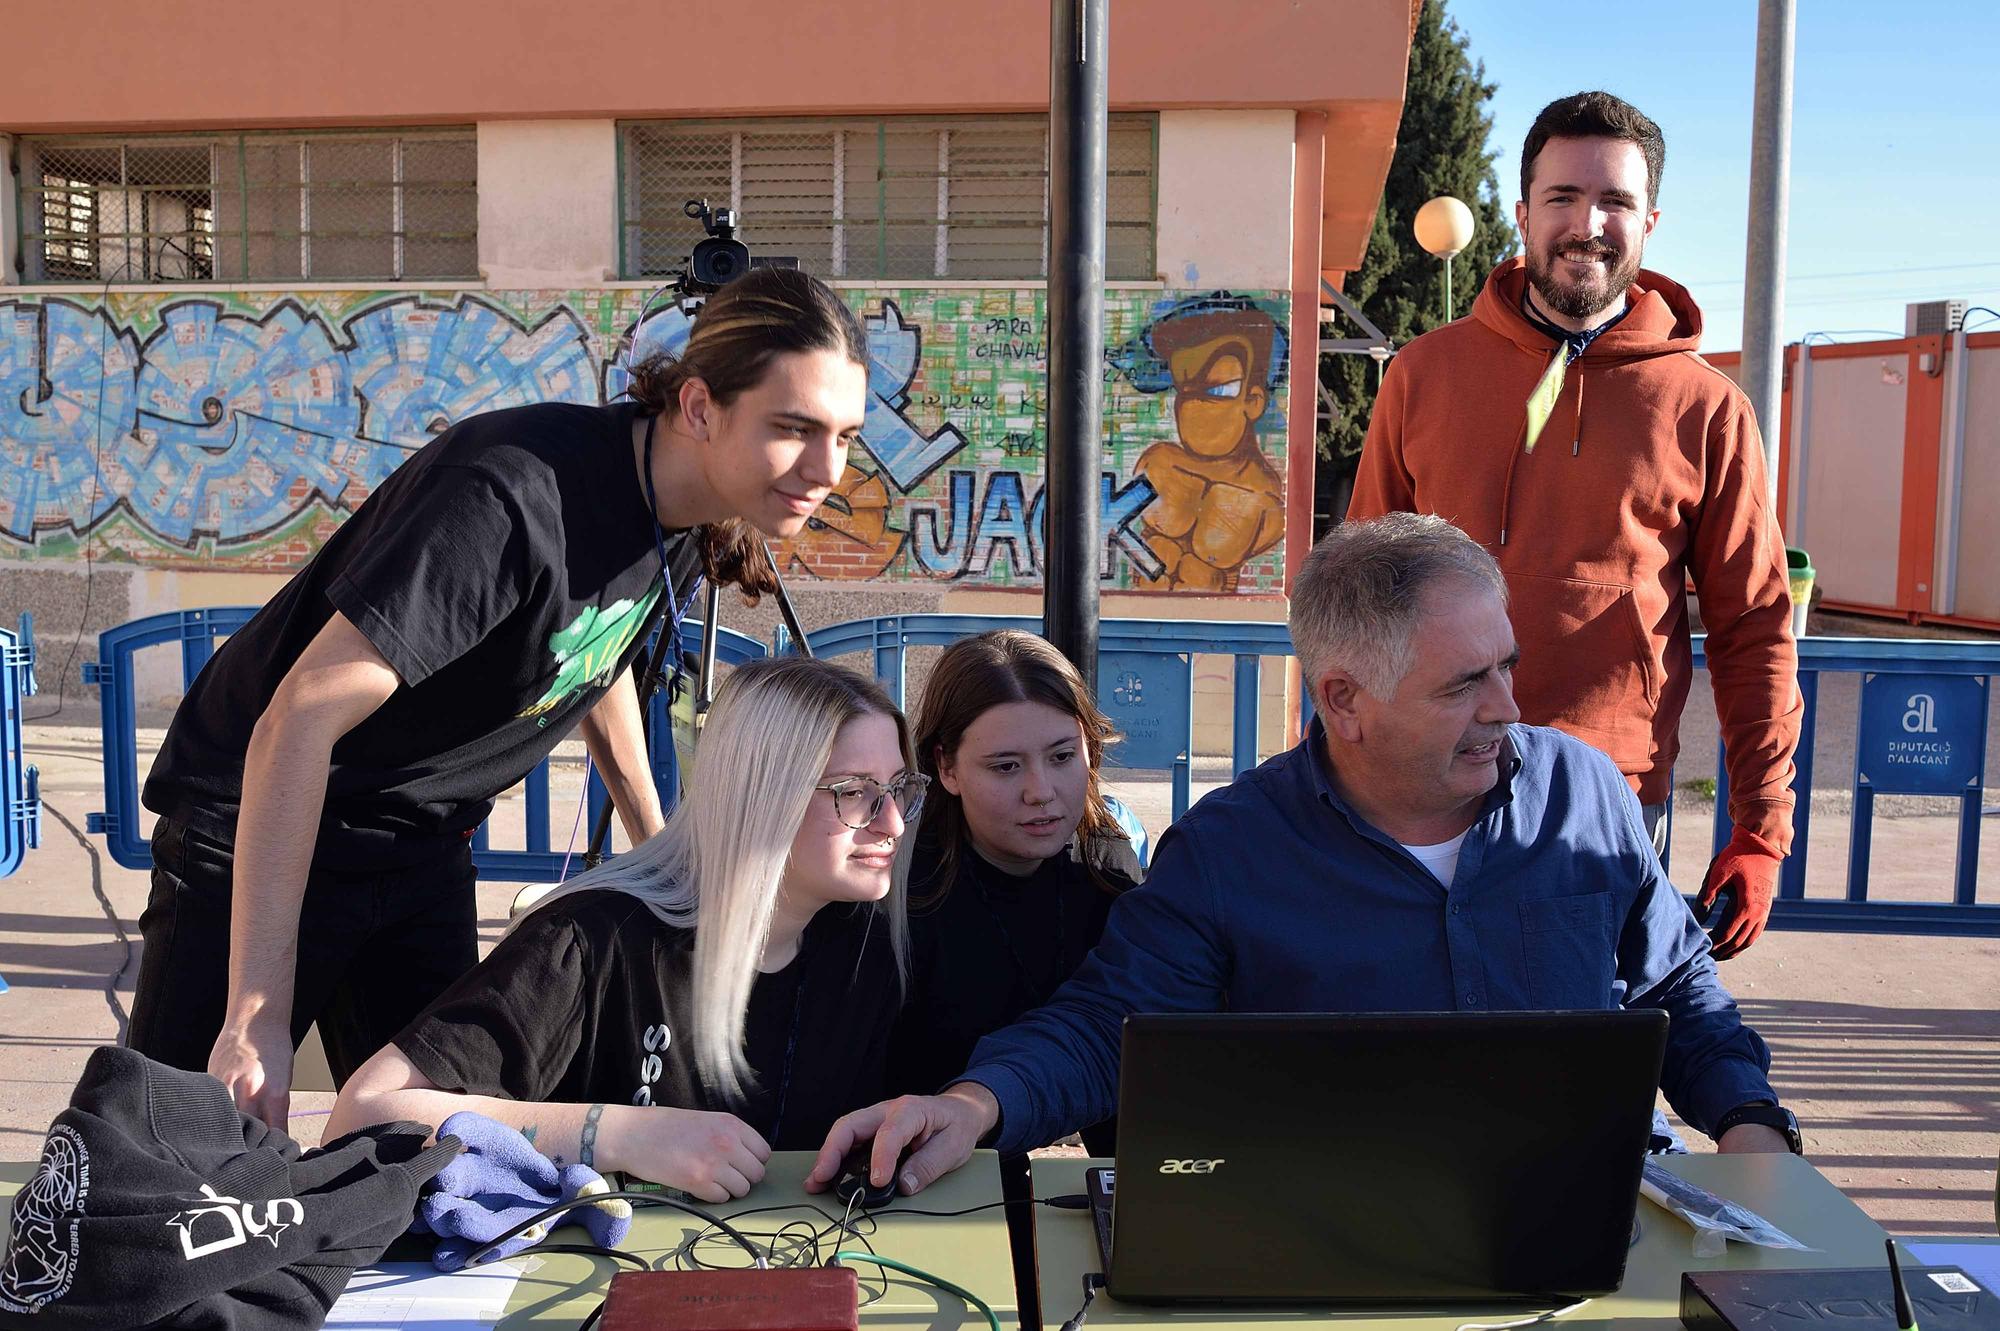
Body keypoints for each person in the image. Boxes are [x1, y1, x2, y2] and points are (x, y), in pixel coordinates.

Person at [808, 514, 1802, 1201]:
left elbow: (1674, 983)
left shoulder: (1584, 796)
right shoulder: (1229, 851)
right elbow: (1107, 1021)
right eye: (1462, 683)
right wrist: (971, 1103)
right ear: (1342, 700)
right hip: (1333, 1238)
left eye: (1505, 663)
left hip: (1593, 1215)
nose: (1504, 705)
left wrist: (1749, 1122)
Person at [132, 267, 870, 1129]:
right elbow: (298, 717)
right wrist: (254, 1016)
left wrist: (662, 854)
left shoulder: (687, 512)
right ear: (701, 407)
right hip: (263, 828)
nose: (828, 469)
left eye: (847, 436)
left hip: (420, 848)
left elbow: (592, 661)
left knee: (434, 1145)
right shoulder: (512, 494)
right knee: (175, 1159)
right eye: (794, 428)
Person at [1347, 91, 1801, 960]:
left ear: (1650, 222)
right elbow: (1360, 598)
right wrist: (1331, 764)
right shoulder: (1422, 375)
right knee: (1416, 1059)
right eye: (1562, 198)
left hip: (1610, 807)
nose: (1586, 224)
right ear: (1523, 212)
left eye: (1615, 202)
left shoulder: (1708, 408)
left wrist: (1760, 828)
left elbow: (1755, 630)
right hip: (1421, 786)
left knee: (1587, 1066)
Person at [324, 657, 925, 1203]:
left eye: (899, 788)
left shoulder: (867, 946)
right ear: (761, 796)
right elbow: (363, 1112)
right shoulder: (592, 940)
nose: (893, 822)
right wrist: (615, 1134)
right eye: (855, 793)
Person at [890, 631, 1140, 1321]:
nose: (1043, 792)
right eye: (1005, 766)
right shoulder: (899, 895)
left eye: (1063, 756)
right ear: (944, 766)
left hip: (1068, 1200)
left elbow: (1135, 1092)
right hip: (921, 1192)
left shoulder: (1112, 873)